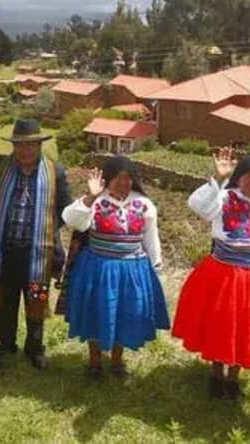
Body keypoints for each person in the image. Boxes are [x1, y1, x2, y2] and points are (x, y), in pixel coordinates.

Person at [171, 148, 250, 400]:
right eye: (249, 175)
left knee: (247, 328)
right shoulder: (224, 198)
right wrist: (218, 179)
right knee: (221, 325)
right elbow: (197, 205)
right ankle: (217, 374)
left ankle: (233, 378)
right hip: (224, 275)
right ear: (238, 177)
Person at [0, 114, 71, 370]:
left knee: (36, 301)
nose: (25, 150)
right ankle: (6, 348)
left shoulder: (54, 171)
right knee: (6, 301)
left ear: (40, 146)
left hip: (38, 252)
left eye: (31, 145)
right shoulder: (2, 166)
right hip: (5, 250)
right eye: (20, 145)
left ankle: (35, 348)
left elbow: (65, 209)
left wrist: (45, 230)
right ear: (13, 146)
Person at [61, 156, 169, 379]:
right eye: (118, 178)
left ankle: (118, 360)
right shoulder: (96, 202)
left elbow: (151, 238)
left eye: (129, 178)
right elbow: (72, 220)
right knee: (95, 311)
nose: (124, 183)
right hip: (98, 268)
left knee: (125, 313)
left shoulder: (144, 204)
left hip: (133, 269)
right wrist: (91, 196)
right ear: (107, 179)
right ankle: (95, 361)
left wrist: (156, 267)